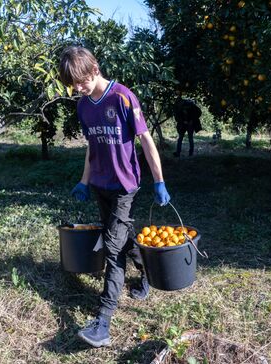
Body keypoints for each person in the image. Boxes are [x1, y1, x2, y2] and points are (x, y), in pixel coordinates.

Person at [58, 46, 171, 348]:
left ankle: (103, 321)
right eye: (73, 85)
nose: (77, 89)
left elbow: (145, 140)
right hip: (99, 183)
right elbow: (91, 146)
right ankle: (147, 272)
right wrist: (84, 180)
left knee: (112, 246)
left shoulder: (122, 97)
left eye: (80, 82)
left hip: (124, 185)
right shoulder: (83, 106)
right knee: (121, 235)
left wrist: (159, 180)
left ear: (94, 69)